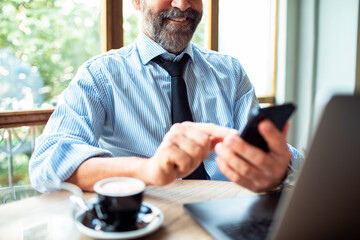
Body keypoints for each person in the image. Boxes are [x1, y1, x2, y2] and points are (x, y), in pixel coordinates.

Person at [29, 0, 302, 193]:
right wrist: (147, 170)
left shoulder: (231, 72)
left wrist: (280, 168)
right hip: (145, 225)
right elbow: (46, 162)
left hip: (228, 216)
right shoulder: (99, 76)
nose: (183, 4)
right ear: (136, 1)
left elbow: (261, 154)